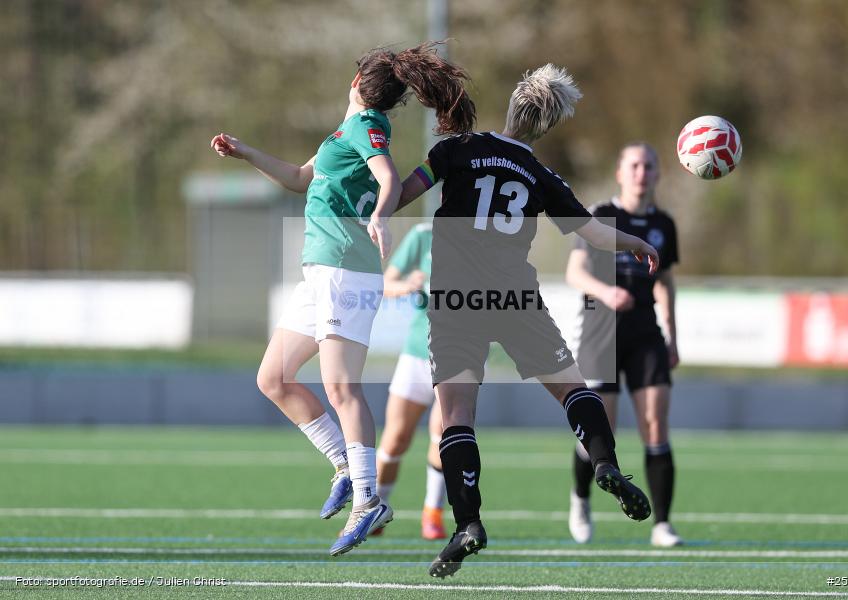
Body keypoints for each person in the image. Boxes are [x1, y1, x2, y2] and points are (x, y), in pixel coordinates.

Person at [209, 42, 475, 556]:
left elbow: (388, 177)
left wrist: (379, 214)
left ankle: (369, 497)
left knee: (340, 387)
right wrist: (245, 153)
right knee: (273, 377)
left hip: (346, 272)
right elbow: (299, 178)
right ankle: (344, 467)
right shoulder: (344, 130)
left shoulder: (365, 125)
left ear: (357, 82)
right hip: (322, 274)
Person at [397, 64, 659, 578]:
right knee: (572, 390)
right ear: (546, 127)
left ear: (513, 106)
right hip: (515, 295)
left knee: (456, 415)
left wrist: (370, 194)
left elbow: (404, 192)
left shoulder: (458, 148)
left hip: (456, 299)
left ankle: (468, 523)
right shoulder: (541, 176)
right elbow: (594, 234)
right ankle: (604, 464)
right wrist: (637, 242)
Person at [565, 142, 682, 547]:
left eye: (649, 165)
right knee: (602, 428)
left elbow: (664, 282)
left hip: (646, 333)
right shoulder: (602, 216)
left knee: (656, 422)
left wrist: (672, 334)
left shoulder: (664, 224)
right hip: (601, 332)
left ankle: (663, 524)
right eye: (633, 165)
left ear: (658, 173)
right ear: (620, 172)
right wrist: (605, 292)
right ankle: (580, 500)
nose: (641, 172)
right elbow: (575, 272)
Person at [372, 221, 448, 540]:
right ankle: (375, 509)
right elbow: (386, 284)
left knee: (443, 435)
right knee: (395, 438)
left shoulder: (485, 238)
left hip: (461, 355)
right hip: (418, 351)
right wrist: (408, 285)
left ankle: (433, 513)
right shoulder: (422, 236)